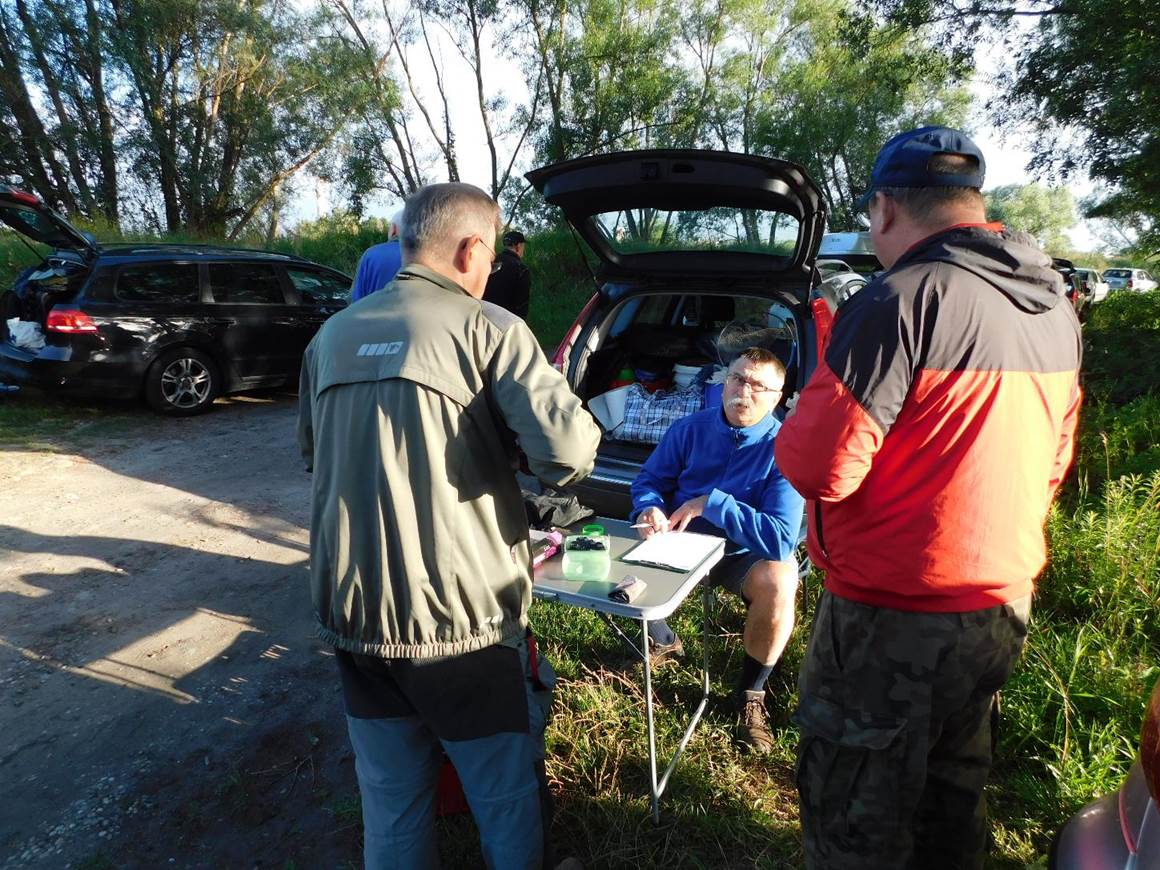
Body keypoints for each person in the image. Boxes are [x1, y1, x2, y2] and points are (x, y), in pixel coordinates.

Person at [775, 126, 1082, 869]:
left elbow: (820, 469)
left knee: (856, 818)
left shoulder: (899, 300)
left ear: (884, 209)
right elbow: (1055, 462)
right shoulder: (1053, 308)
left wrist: (819, 375)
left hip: (894, 616)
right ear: (971, 203)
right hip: (998, 607)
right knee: (951, 798)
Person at [297, 182, 601, 869]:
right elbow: (570, 455)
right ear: (471, 249)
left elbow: (314, 452)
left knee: (392, 801)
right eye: (491, 257)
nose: (490, 271)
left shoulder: (330, 336)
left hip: (353, 609)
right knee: (502, 792)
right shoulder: (490, 328)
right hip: (456, 622)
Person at [630, 347, 804, 754]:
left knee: (780, 578)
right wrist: (649, 506)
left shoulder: (786, 449)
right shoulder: (689, 428)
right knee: (607, 554)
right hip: (680, 542)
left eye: (759, 385)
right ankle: (662, 639)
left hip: (741, 555)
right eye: (738, 378)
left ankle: (751, 694)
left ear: (778, 397)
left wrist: (714, 503)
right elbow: (649, 479)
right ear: (724, 382)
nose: (745, 390)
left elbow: (781, 538)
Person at [350, 210, 404, 302]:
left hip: (371, 314)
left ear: (393, 229)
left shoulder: (371, 254)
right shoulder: (425, 255)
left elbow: (355, 298)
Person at [483, 229, 531, 320]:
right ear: (518, 246)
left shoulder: (490, 262)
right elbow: (521, 305)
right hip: (505, 323)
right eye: (523, 246)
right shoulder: (521, 269)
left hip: (483, 317)